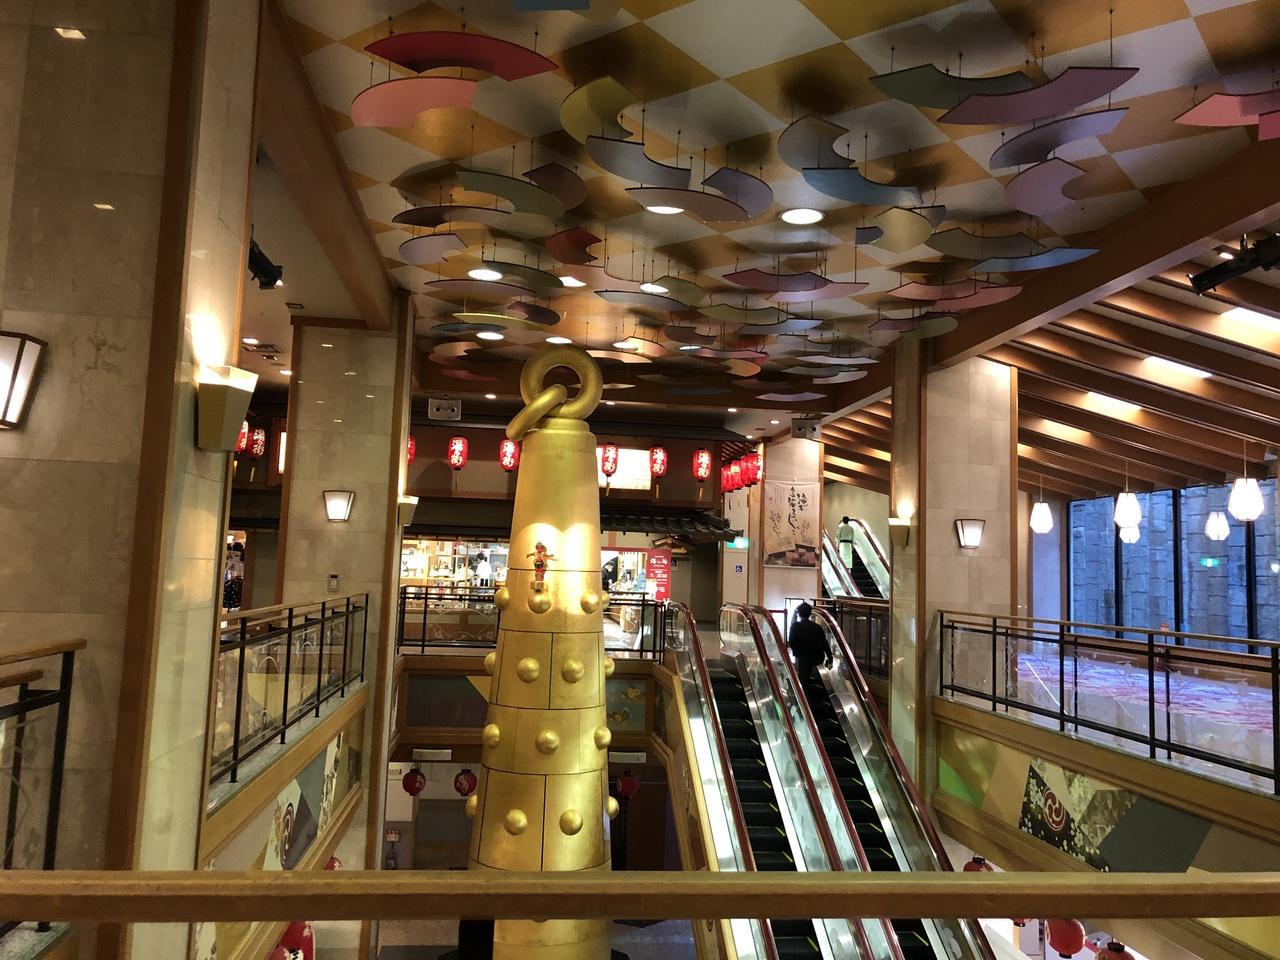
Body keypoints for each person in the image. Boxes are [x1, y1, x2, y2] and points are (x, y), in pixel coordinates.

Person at [787, 602, 832, 685]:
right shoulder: (818, 627)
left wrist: (796, 653)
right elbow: (825, 643)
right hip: (817, 659)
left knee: (803, 682)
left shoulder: (796, 626)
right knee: (818, 680)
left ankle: (805, 692)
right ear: (810, 614)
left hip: (802, 659)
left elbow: (792, 641)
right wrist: (830, 658)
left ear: (799, 614)